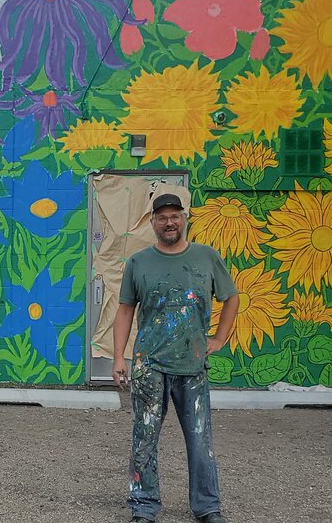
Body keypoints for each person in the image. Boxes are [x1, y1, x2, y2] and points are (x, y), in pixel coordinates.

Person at [112, 192, 239, 523]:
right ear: (153, 223)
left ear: (185, 218)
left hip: (192, 365)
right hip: (149, 366)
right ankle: (144, 507)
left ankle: (208, 507)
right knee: (144, 439)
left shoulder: (206, 257)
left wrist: (219, 338)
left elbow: (231, 297)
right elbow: (125, 310)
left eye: (175, 216)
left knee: (200, 441)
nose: (169, 222)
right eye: (162, 217)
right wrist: (118, 359)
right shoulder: (138, 262)